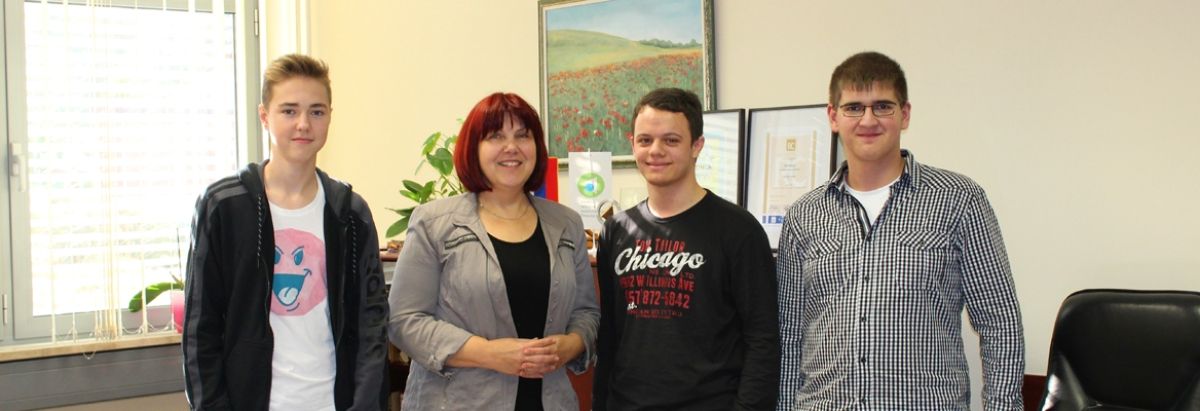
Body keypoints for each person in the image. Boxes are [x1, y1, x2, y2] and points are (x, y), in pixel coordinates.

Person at [776, 51, 1024, 410]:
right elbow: (788, 335)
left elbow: (999, 322)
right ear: (833, 116)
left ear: (904, 114)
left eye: (882, 106)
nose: (868, 120)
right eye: (853, 108)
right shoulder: (804, 215)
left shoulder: (959, 200)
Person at [182, 54, 389, 410]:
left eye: (316, 111)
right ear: (265, 116)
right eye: (289, 111)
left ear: (330, 116)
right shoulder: (223, 207)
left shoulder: (350, 213)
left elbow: (372, 326)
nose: (303, 124)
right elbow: (200, 332)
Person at [388, 92, 599, 411]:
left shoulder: (566, 223)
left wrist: (570, 345)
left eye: (522, 136)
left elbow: (587, 313)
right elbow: (405, 320)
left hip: (550, 401)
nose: (511, 147)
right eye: (496, 136)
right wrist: (490, 354)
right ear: (473, 148)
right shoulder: (434, 223)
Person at [593, 88, 780, 410]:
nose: (656, 151)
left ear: (697, 146)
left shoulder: (738, 230)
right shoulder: (616, 231)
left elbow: (762, 339)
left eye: (671, 140)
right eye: (645, 140)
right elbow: (609, 336)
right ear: (632, 144)